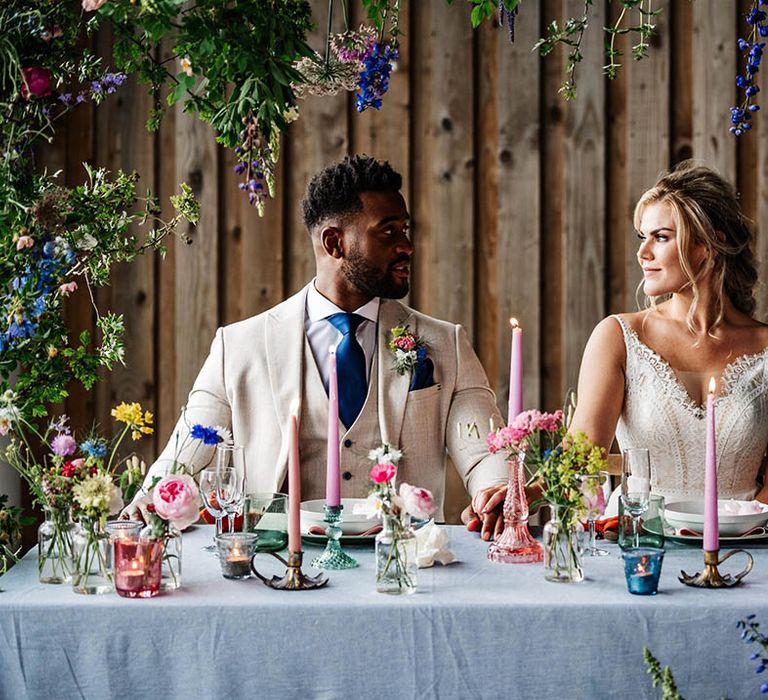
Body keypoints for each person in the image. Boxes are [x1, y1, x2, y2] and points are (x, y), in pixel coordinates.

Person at [122, 155, 508, 539]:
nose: (407, 245)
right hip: (279, 570)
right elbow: (185, 453)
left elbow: (485, 453)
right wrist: (149, 498)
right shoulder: (238, 347)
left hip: (401, 566)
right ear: (334, 242)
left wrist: (497, 491)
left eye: (405, 229)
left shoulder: (445, 344)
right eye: (388, 232)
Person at [570, 160, 768, 504]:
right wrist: (519, 494)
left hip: (743, 547)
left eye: (660, 237)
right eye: (642, 237)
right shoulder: (618, 336)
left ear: (709, 245)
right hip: (639, 542)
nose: (642, 253)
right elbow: (578, 460)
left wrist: (739, 530)